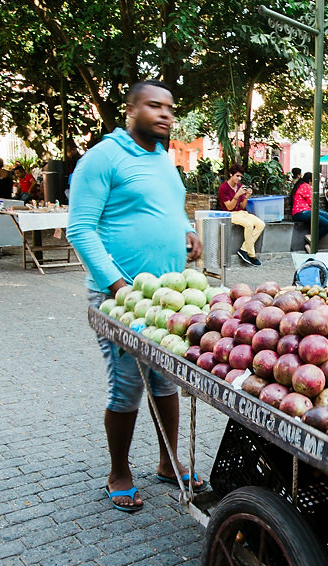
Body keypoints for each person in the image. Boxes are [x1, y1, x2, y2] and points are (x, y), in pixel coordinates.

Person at [66, 80, 205, 512]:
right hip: (119, 297)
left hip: (166, 297)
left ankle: (168, 462)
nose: (165, 114)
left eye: (169, 107)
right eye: (154, 106)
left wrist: (187, 230)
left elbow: (170, 206)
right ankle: (119, 472)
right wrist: (117, 286)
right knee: (127, 385)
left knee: (166, 378)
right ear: (130, 110)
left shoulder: (164, 159)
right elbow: (80, 229)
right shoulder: (102, 158)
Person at [218, 164, 265, 266]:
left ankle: (243, 249)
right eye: (237, 176)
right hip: (229, 214)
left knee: (261, 224)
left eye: (240, 177)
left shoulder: (239, 186)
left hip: (242, 213)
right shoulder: (223, 188)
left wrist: (247, 196)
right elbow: (229, 207)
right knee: (248, 225)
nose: (239, 179)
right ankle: (251, 255)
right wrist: (237, 195)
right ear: (231, 174)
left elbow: (242, 206)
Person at [289, 167, 328, 252]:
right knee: (327, 224)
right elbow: (312, 203)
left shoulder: (300, 185)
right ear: (310, 180)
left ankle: (312, 239)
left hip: (302, 212)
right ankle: (312, 239)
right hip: (303, 212)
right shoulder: (306, 186)